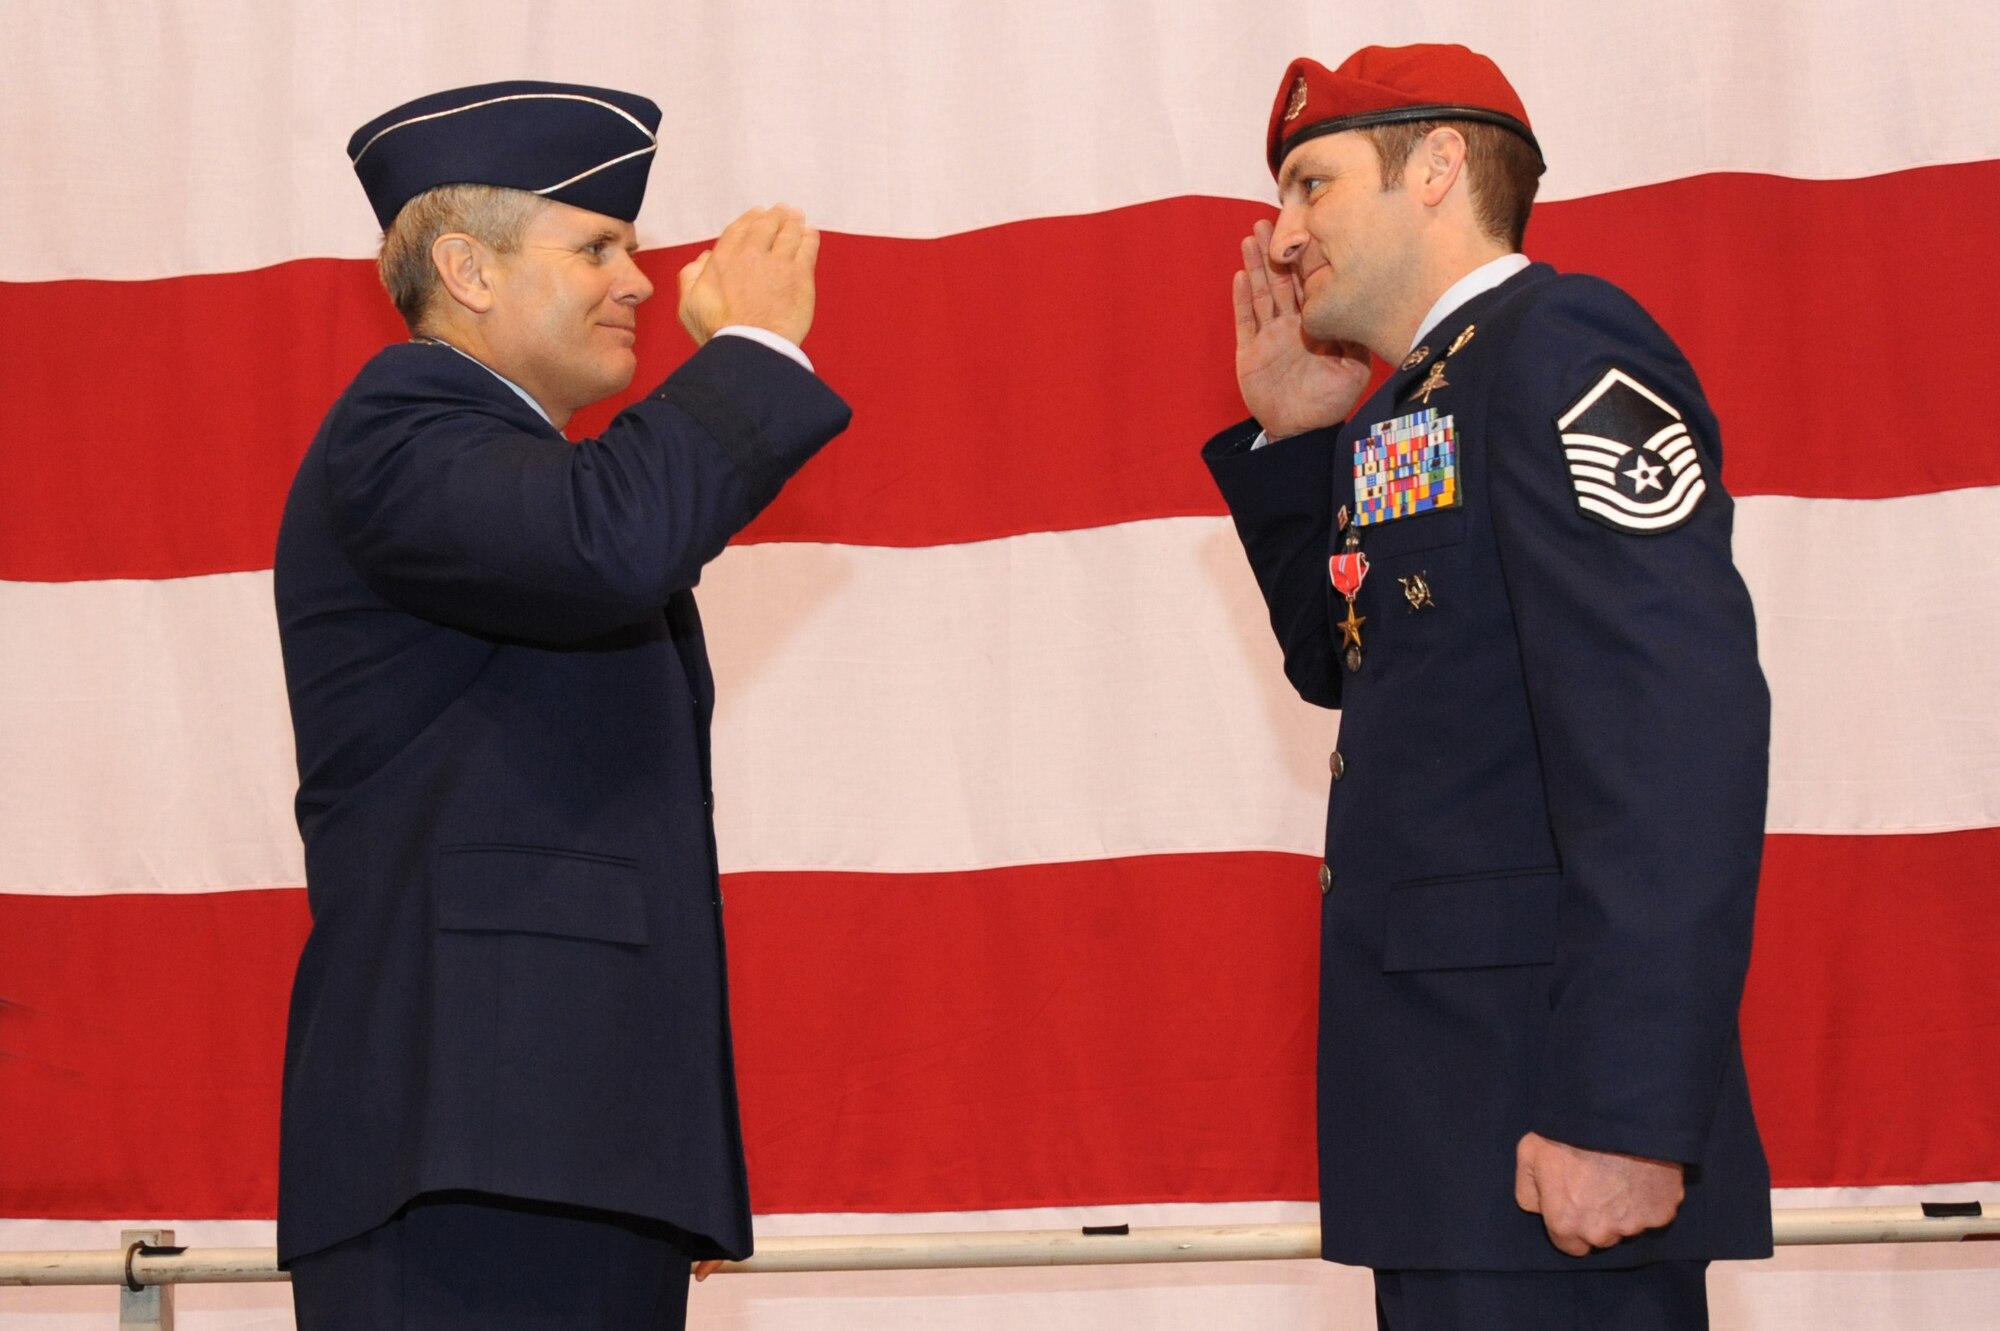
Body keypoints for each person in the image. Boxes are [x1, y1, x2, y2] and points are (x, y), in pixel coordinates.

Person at [1203, 45, 1772, 1329]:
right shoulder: (1423, 392)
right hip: (1451, 1132)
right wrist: (1302, 441)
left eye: (1311, 184)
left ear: (1439, 166)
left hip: (1549, 1124)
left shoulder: (1560, 346)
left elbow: (1671, 738)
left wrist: (1622, 1105)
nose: (1281, 237)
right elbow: (1350, 663)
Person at [271, 80, 851, 1329]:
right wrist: (751, 351)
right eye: (596, 246)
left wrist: (653, 1144)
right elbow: (612, 541)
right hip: (471, 1153)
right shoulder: (399, 423)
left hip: (559, 1149)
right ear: (466, 270)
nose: (640, 281)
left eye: (629, 250)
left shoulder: (508, 469)